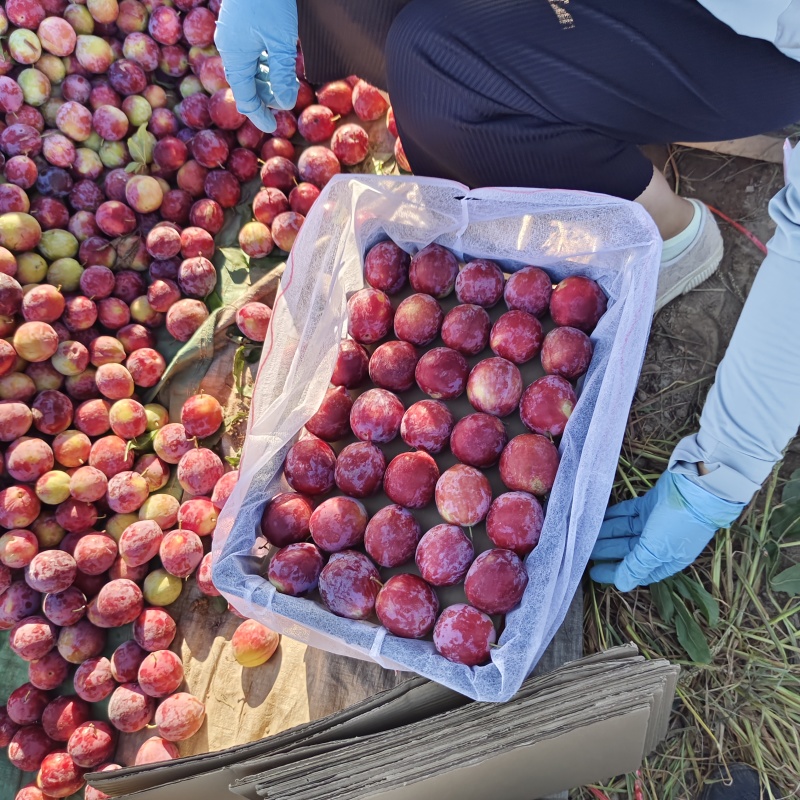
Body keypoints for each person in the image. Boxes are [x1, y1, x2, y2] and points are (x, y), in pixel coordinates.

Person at [215, 0, 800, 592]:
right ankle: (549, 119)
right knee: (353, 11)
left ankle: (668, 238)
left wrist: (722, 471)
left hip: (757, 41)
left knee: (440, 65)